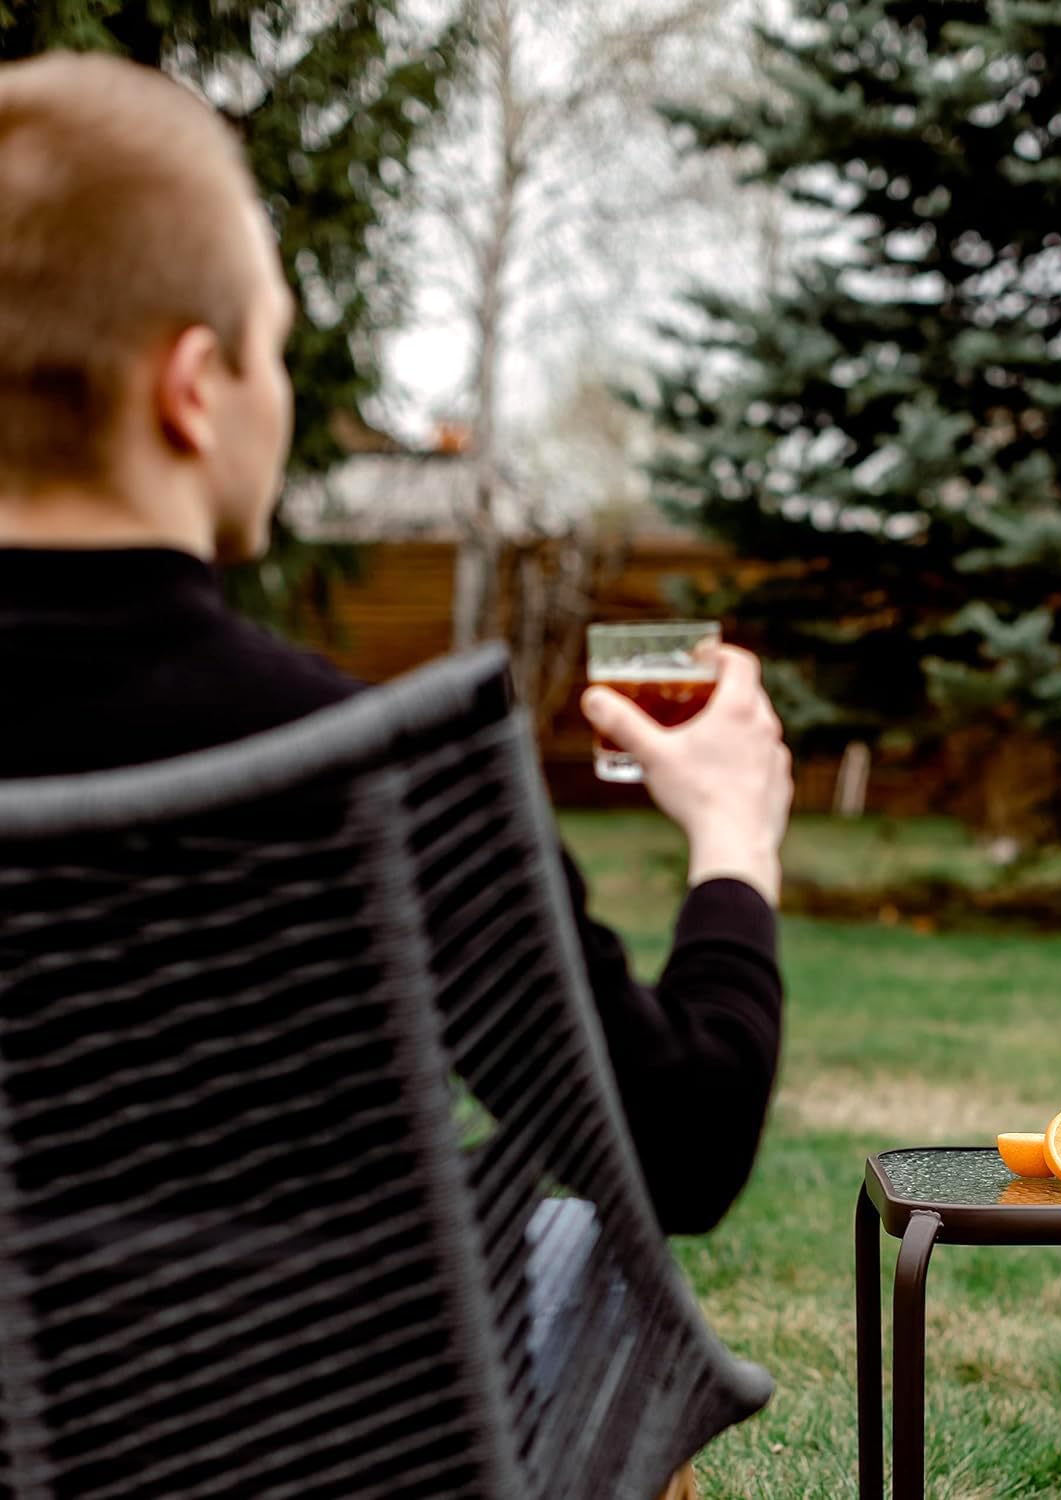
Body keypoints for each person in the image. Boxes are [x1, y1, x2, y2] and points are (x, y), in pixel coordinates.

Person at [0, 50, 793, 1239]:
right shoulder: (379, 771)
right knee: (579, 1259)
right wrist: (733, 837)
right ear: (196, 389)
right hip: (295, 1422)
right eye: (276, 348)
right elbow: (679, 1151)